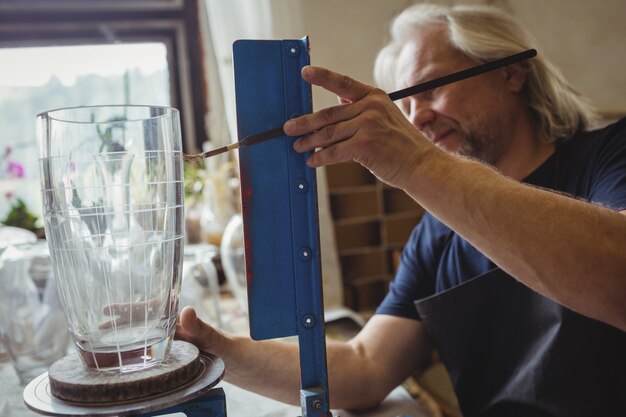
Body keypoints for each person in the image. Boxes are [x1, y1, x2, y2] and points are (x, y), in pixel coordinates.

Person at [177, 4, 626, 416]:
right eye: (406, 105)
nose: (418, 119)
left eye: (430, 91)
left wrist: (417, 164)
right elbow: (366, 366)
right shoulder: (438, 231)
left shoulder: (611, 155)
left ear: (512, 73)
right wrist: (215, 350)